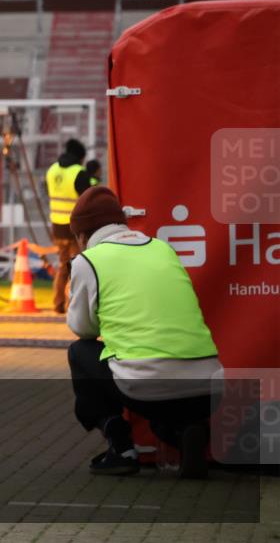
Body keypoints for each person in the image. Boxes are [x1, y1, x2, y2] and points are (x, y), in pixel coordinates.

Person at [65, 186, 221, 478]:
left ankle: (120, 446)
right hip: (210, 387)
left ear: (83, 235)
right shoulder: (163, 248)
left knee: (80, 352)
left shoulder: (89, 260)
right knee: (166, 412)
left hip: (145, 385)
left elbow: (82, 329)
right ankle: (187, 433)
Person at [45, 138, 91, 313]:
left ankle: (58, 304)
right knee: (80, 266)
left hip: (57, 225)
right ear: (80, 157)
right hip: (76, 227)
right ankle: (77, 306)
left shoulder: (52, 170)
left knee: (63, 265)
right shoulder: (79, 172)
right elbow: (88, 200)